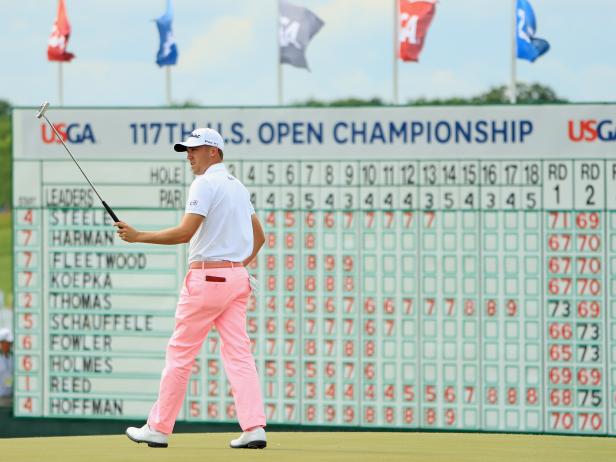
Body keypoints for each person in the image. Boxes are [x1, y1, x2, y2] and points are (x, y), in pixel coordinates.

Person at [116, 128, 267, 449]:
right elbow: (260, 237)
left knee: (180, 354)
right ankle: (254, 428)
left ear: (214, 152)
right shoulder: (237, 186)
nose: (189, 155)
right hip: (237, 280)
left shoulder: (205, 183)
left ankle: (158, 428)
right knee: (240, 356)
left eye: (195, 150)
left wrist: (138, 235)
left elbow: (186, 232)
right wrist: (239, 264)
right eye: (187, 150)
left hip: (207, 280)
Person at [0, 327, 14, 407]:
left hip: (11, 396)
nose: (10, 345)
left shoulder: (13, 357)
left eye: (10, 343)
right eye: (8, 343)